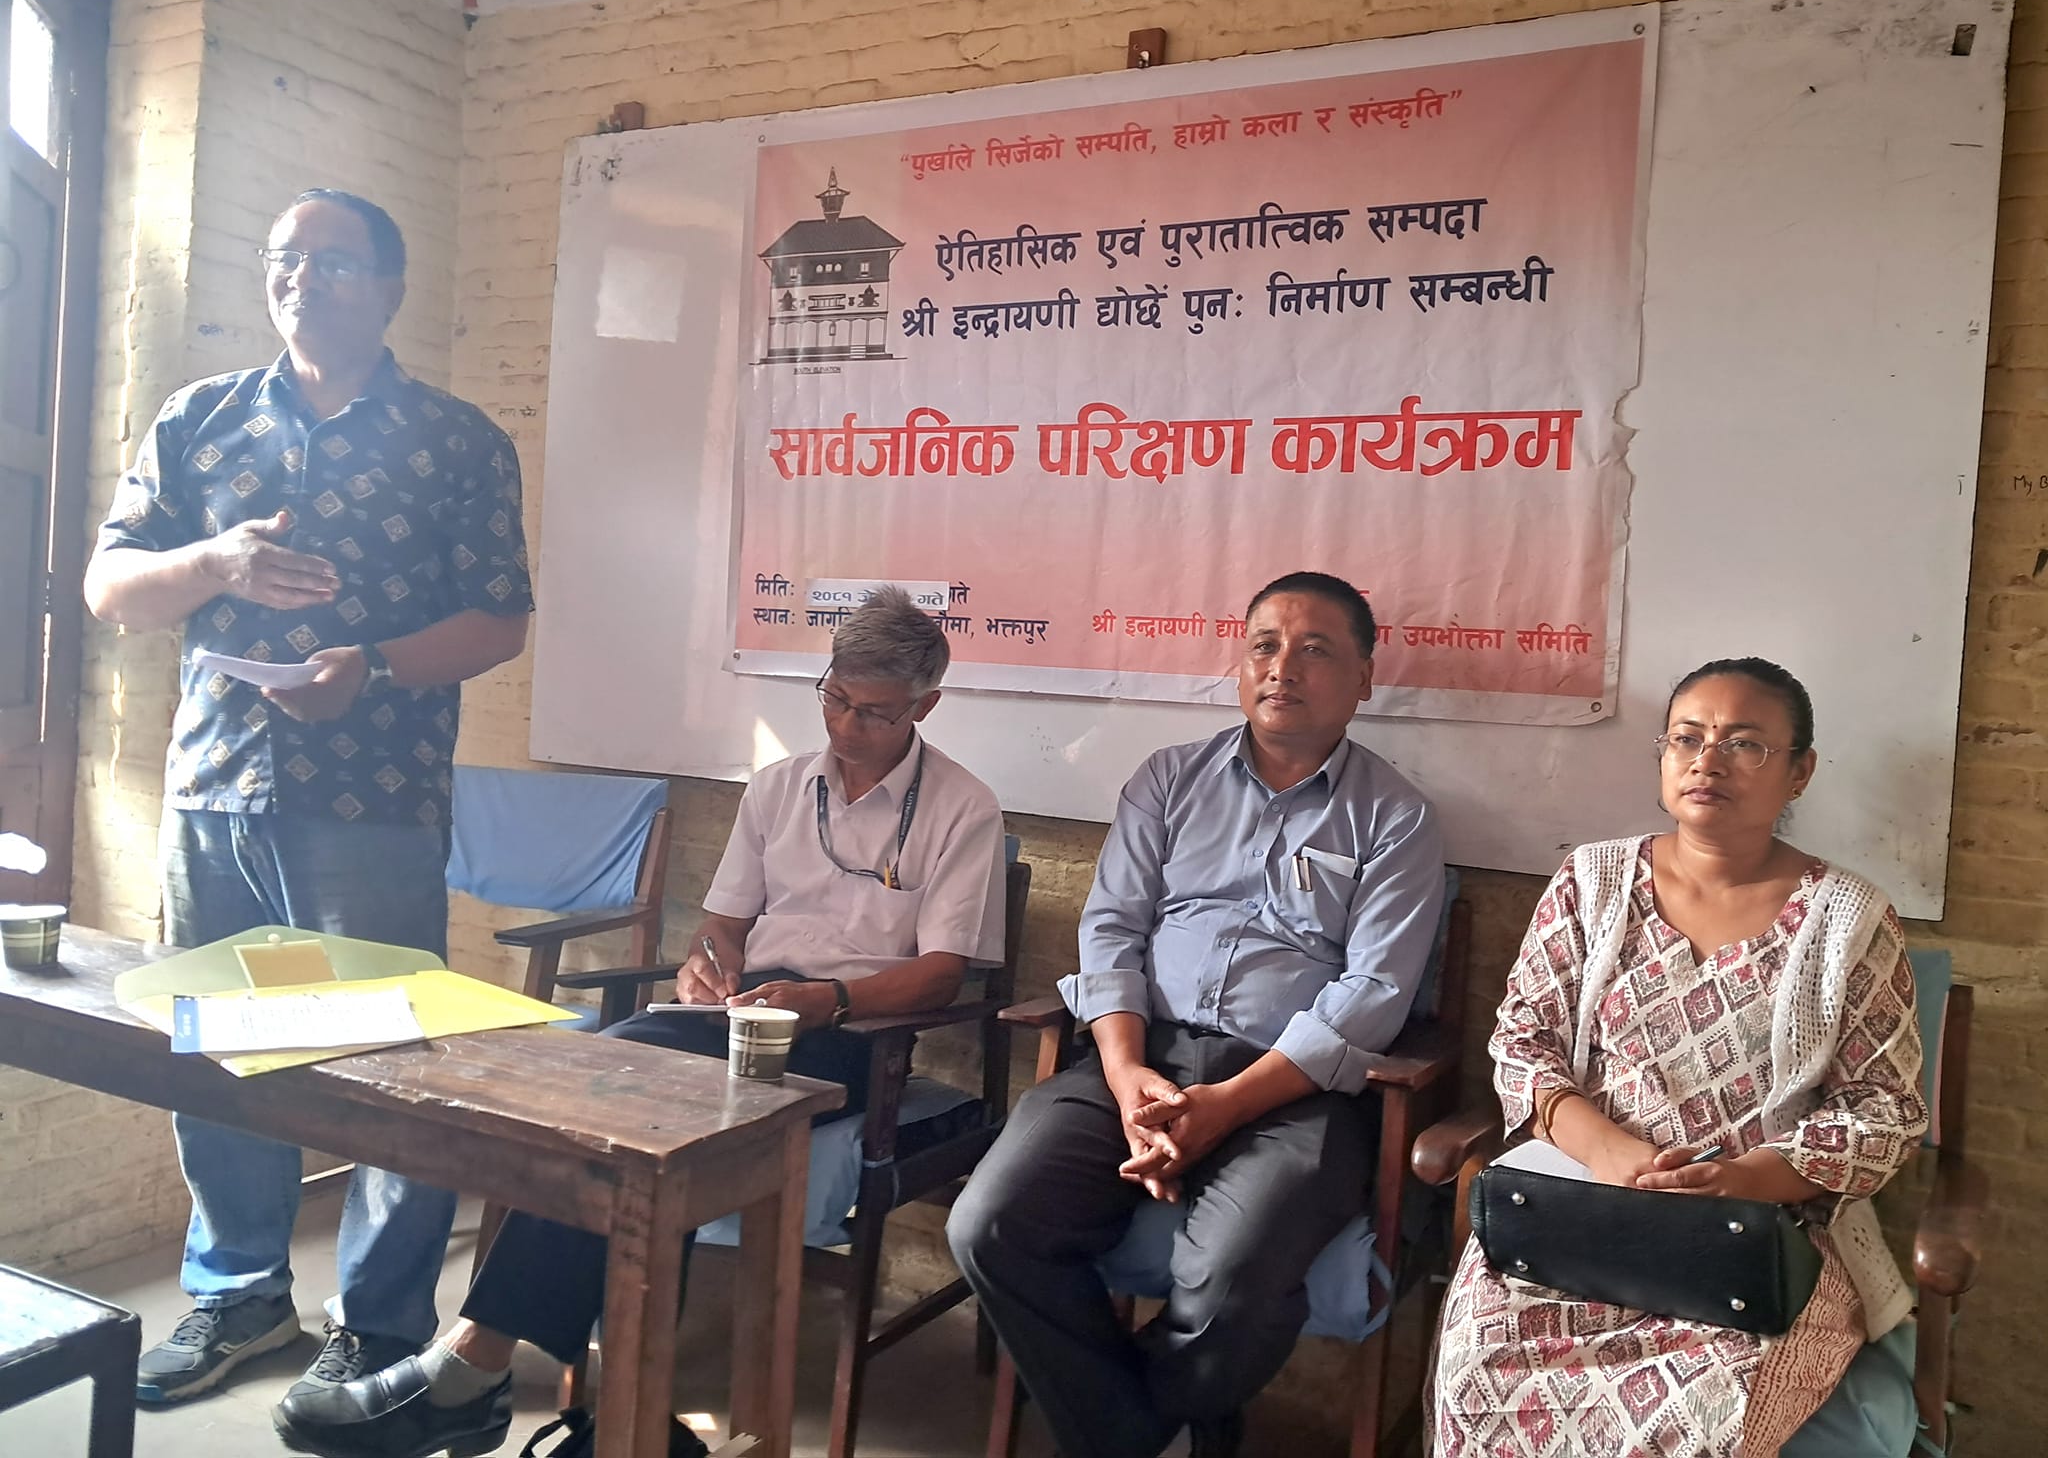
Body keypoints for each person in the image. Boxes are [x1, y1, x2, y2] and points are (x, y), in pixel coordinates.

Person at [273, 587, 1009, 1458]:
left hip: (852, 1033)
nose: (846, 726)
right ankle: (606, 1409)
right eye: (835, 698)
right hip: (742, 1009)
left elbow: (943, 971)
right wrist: (708, 963)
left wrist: (831, 1001)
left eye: (874, 713)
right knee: (608, 1081)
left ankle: (478, 1373)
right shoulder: (779, 786)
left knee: (652, 1104)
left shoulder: (963, 807)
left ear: (925, 706)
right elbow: (724, 923)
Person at [83, 189, 533, 1409]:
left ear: (391, 287)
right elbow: (111, 588)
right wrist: (214, 561)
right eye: (286, 258)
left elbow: (499, 618)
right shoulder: (201, 417)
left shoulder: (456, 440)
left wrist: (370, 668)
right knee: (223, 1054)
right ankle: (240, 1297)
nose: (303, 278)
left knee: (387, 1063)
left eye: (335, 261)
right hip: (215, 789)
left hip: (371, 802)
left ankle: (379, 1326)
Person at [948, 570, 1445, 1458]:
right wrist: (1126, 1073)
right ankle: (1159, 1432)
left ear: (1365, 677)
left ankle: (1133, 1431)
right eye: (1265, 646)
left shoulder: (1396, 818)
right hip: (1139, 1058)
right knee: (988, 1225)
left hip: (1291, 1092)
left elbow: (1374, 992)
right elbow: (1111, 931)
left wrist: (1227, 1106)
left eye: (1315, 650)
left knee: (1230, 1281)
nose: (1282, 668)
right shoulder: (1169, 780)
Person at [1432, 657, 1928, 1457]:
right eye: (1687, 739)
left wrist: (1743, 1177)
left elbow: (1885, 1111)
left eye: (1744, 744)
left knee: (1698, 1417)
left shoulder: (1849, 920)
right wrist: (1612, 1153)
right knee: (1481, 1368)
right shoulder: (1591, 882)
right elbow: (1523, 1045)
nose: (1707, 761)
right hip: (1580, 1215)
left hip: (1751, 1240)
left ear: (1799, 772)